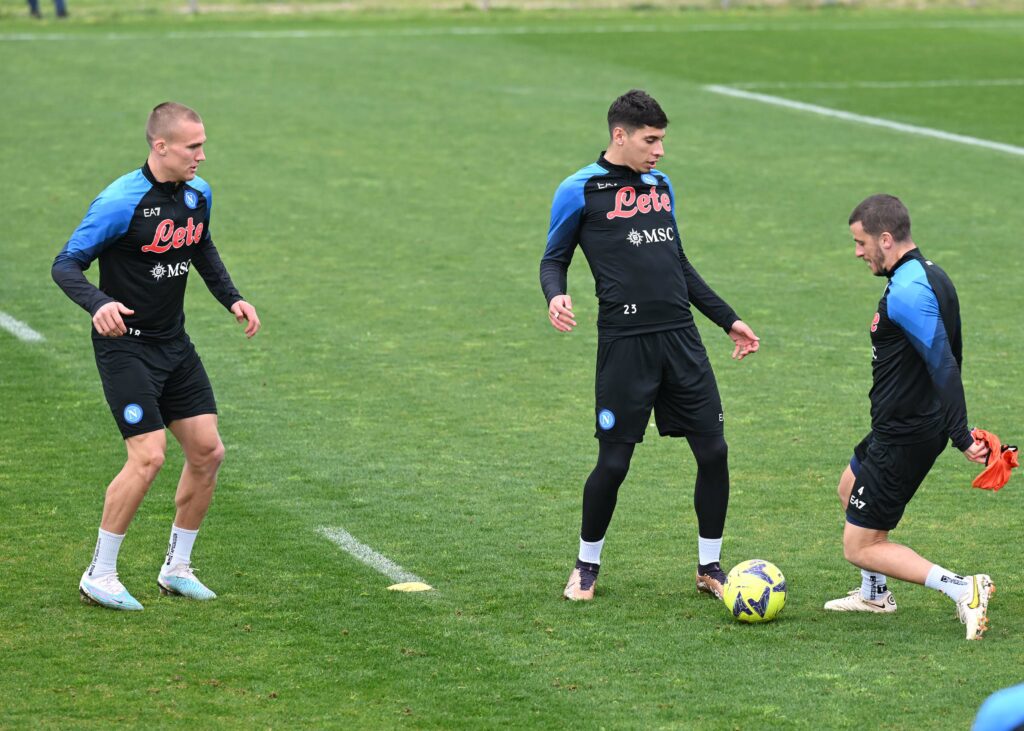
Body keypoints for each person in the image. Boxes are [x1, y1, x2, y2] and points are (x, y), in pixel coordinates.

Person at [540, 89, 760, 602]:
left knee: (714, 451)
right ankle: (585, 567)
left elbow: (678, 264)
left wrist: (727, 320)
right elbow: (554, 258)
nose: (659, 151)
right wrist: (556, 296)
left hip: (680, 338)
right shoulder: (580, 189)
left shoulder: (661, 186)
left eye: (661, 140)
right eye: (651, 140)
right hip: (625, 344)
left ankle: (710, 566)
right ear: (620, 135)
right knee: (614, 463)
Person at [52, 102, 260, 611]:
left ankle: (177, 568)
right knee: (147, 457)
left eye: (203, 144)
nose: (202, 155)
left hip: (174, 345)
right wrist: (98, 303)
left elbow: (202, 247)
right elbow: (66, 265)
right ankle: (98, 574)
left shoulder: (197, 195)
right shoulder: (119, 201)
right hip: (127, 350)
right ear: (160, 146)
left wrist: (231, 296)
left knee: (208, 453)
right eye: (193, 147)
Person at [824, 194, 993, 640]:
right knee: (848, 488)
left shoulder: (907, 291)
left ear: (885, 238)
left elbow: (943, 363)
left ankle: (962, 588)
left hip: (906, 433)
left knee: (861, 545)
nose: (858, 252)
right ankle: (874, 595)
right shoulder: (928, 274)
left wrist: (960, 435)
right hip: (899, 425)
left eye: (861, 243)